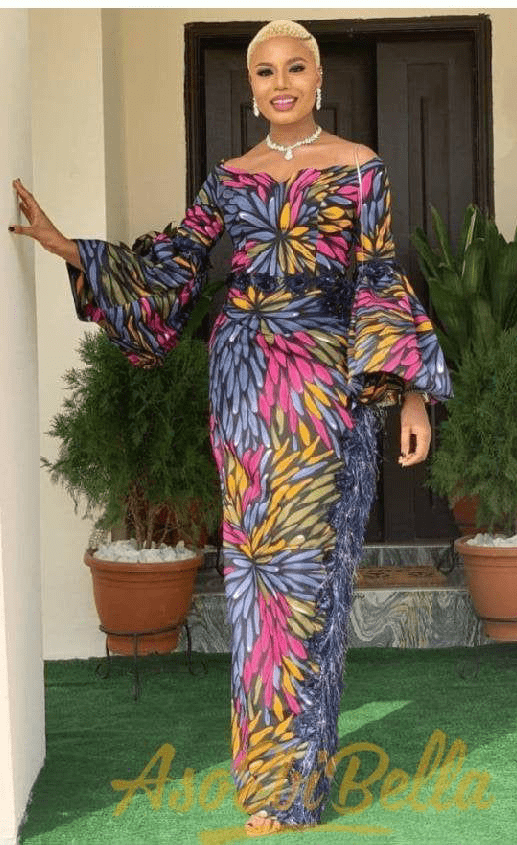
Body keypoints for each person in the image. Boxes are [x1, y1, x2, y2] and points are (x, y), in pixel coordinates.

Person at [10, 19, 452, 837]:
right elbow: (172, 267)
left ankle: (297, 785)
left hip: (326, 389)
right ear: (250, 89)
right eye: (265, 71)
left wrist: (412, 396)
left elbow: (380, 277)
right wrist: (70, 248)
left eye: (295, 67)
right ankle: (265, 786)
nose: (281, 83)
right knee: (254, 579)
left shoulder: (361, 167)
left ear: (319, 79)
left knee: (308, 576)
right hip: (246, 387)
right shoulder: (229, 179)